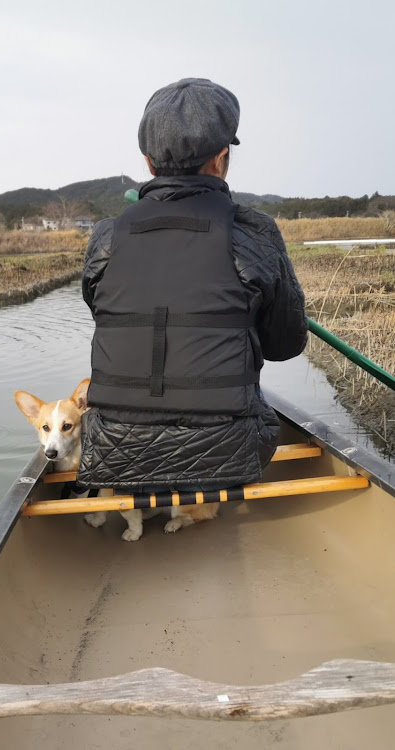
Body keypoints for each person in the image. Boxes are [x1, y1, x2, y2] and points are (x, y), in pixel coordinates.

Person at [77, 78, 307, 494]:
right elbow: (284, 345)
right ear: (220, 159)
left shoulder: (105, 237)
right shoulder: (254, 232)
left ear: (147, 163)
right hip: (234, 450)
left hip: (113, 450)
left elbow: (102, 313)